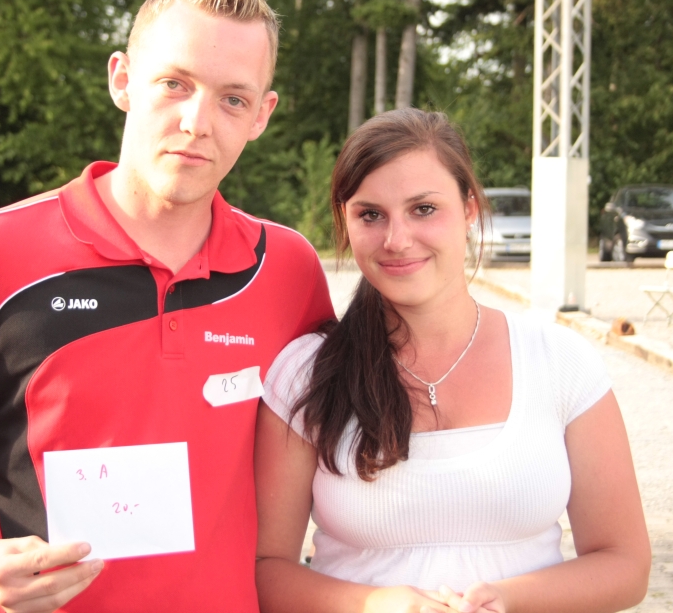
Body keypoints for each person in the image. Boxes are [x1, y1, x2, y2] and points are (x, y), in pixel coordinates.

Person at [0, 0, 334, 613]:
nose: (197, 121)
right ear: (122, 79)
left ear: (262, 114)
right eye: (175, 83)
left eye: (233, 98)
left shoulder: (286, 269)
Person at [254, 109, 651, 613]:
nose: (397, 239)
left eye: (423, 209)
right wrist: (375, 604)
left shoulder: (559, 361)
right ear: (345, 222)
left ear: (469, 209)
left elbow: (624, 564)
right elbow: (266, 569)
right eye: (370, 214)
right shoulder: (305, 374)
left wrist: (505, 600)